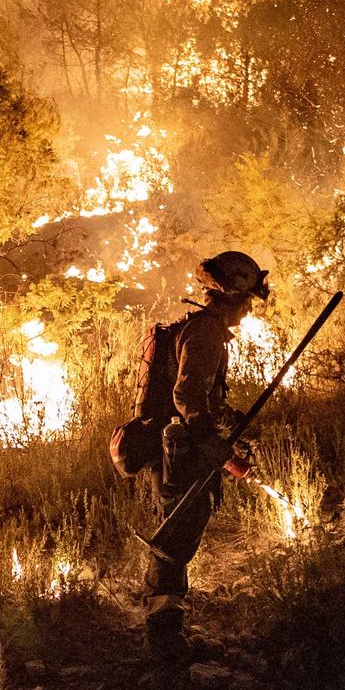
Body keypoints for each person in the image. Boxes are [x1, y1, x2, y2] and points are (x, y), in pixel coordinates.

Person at [144, 250, 268, 659]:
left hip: (186, 442)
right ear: (232, 297)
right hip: (185, 448)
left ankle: (165, 623)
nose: (250, 308)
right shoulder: (207, 332)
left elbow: (204, 400)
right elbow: (188, 397)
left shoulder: (203, 329)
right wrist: (213, 443)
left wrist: (229, 427)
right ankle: (163, 634)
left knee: (178, 529)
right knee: (176, 534)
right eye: (248, 299)